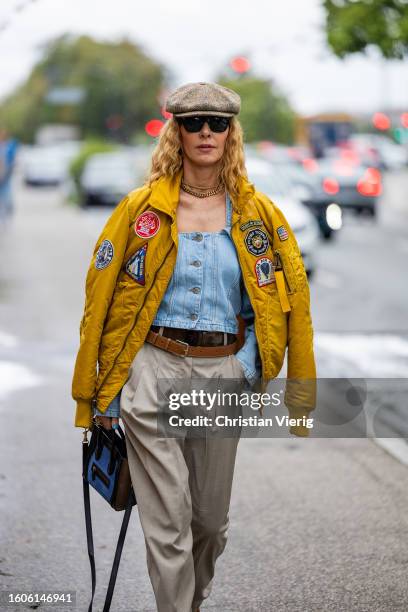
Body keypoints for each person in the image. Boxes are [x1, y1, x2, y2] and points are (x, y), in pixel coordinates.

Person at [72, 81, 316, 612]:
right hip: (152, 370)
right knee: (168, 520)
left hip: (221, 373)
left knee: (207, 522)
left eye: (218, 123)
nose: (206, 132)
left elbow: (284, 301)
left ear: (232, 134)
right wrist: (106, 391)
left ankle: (190, 599)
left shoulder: (260, 217)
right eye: (194, 123)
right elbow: (102, 302)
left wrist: (250, 367)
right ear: (175, 132)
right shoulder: (141, 211)